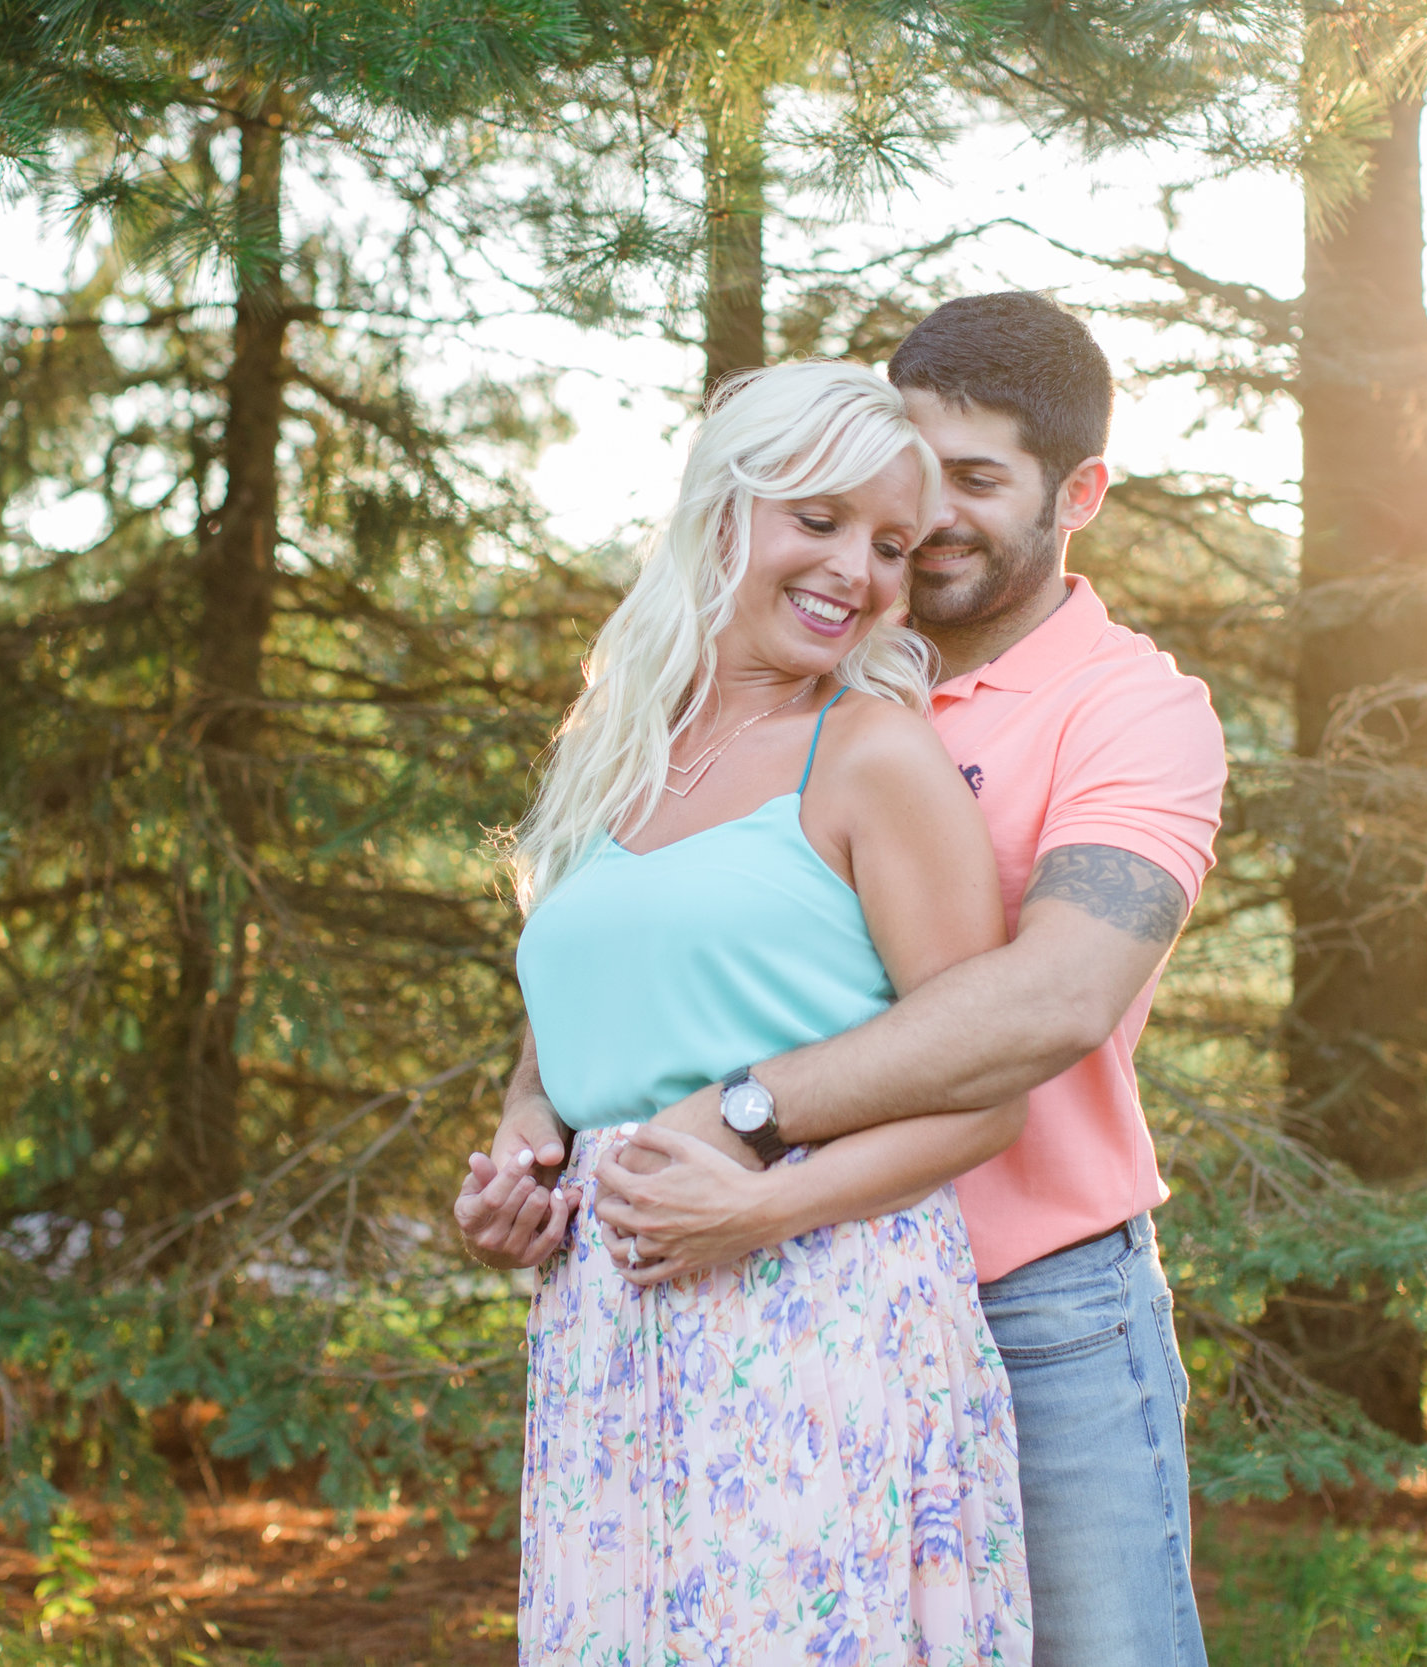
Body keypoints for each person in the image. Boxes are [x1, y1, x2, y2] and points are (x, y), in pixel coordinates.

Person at [469, 294, 1227, 1666]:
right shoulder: (755, 685)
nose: (923, 533)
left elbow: (1050, 1004)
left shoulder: (1128, 710)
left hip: (1031, 1292)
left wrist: (736, 1120)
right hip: (695, 1285)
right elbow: (629, 953)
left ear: (1082, 494)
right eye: (894, 499)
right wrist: (541, 1119)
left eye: (972, 489)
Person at [456, 359, 1035, 1664]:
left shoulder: (875, 753)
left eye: (892, 544)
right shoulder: (616, 749)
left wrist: (764, 1204)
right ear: (725, 509)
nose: (858, 570)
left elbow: (988, 1089)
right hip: (610, 1333)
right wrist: (519, 1174)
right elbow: (565, 1050)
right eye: (818, 520)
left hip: (819, 1307)